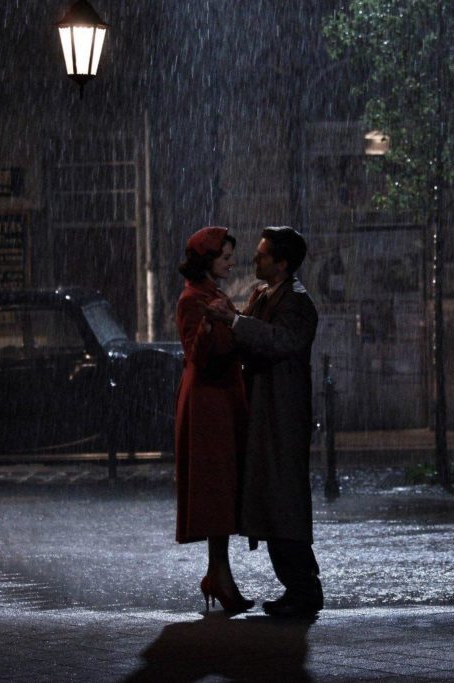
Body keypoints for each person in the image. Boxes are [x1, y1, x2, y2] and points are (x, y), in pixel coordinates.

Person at [206, 226, 323, 619]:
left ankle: (304, 588)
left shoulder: (297, 302)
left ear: (282, 263)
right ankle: (298, 587)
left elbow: (279, 340)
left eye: (263, 254)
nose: (255, 258)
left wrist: (236, 321)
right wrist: (237, 317)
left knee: (283, 500)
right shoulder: (268, 294)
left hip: (282, 415)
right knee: (273, 501)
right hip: (267, 413)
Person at [174, 226, 252, 613]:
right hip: (208, 405)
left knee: (222, 491)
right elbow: (197, 355)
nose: (232, 262)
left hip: (221, 399)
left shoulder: (214, 294)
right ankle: (220, 577)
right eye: (226, 256)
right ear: (207, 260)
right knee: (216, 490)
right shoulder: (194, 299)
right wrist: (209, 327)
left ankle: (218, 574)